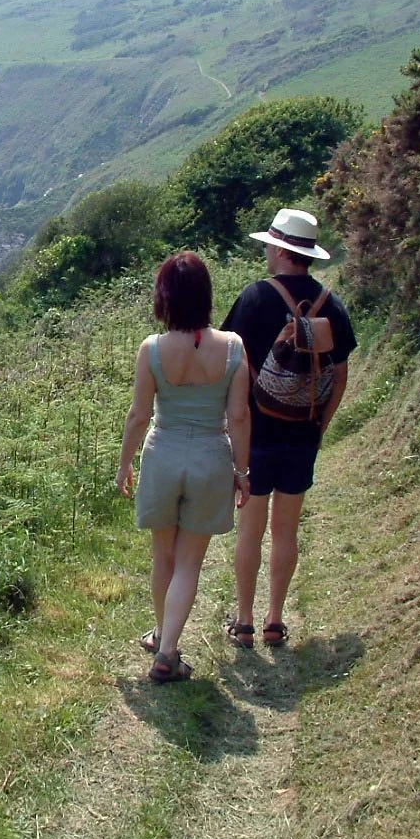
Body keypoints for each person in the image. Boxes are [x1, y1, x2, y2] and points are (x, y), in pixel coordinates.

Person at [220, 208, 357, 648]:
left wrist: (230, 423)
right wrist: (320, 426)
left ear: (280, 249)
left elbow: (231, 364)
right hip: (302, 434)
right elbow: (340, 375)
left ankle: (243, 621)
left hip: (257, 435)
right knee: (286, 530)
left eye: (268, 243)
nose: (265, 249)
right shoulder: (330, 305)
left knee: (250, 529)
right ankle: (275, 620)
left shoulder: (255, 298)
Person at [116, 251, 252, 683]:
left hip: (163, 454)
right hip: (211, 456)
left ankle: (163, 639)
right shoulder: (233, 347)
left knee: (163, 555)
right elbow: (239, 417)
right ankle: (167, 647)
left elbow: (138, 415)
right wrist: (242, 471)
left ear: (163, 297)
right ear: (207, 296)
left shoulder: (152, 349)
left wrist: (124, 464)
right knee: (190, 562)